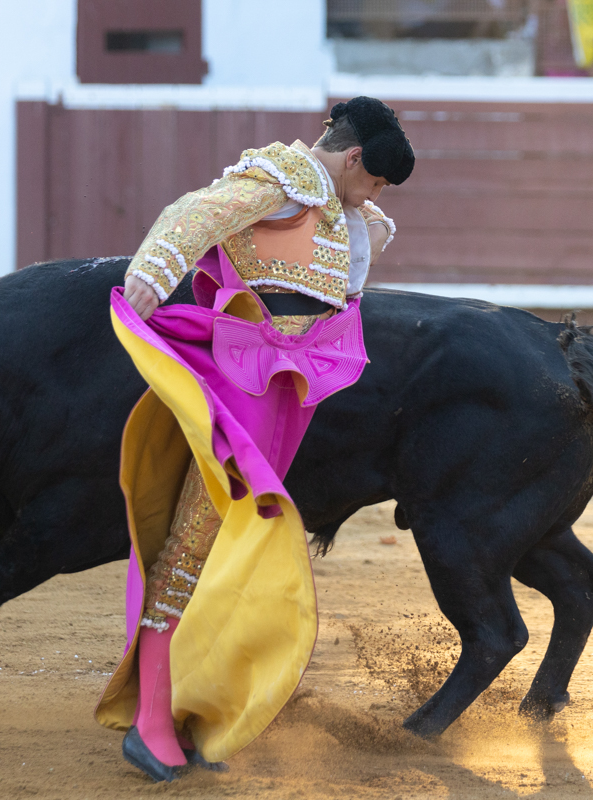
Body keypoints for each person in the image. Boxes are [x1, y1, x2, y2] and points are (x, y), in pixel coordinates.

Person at [95, 98, 414, 782]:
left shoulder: (339, 207)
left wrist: (362, 212)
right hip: (243, 379)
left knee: (234, 543)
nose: (376, 195)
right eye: (376, 180)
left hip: (286, 392)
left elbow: (355, 246)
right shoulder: (278, 181)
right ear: (354, 158)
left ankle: (185, 711)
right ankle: (151, 723)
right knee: (197, 537)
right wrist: (146, 285)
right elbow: (191, 216)